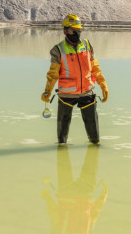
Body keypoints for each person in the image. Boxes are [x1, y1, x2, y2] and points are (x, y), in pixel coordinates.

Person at [41, 14, 109, 144]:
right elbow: (53, 74)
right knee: (62, 138)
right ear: (65, 31)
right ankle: (61, 154)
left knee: (94, 134)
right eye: (74, 31)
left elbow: (95, 68)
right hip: (66, 95)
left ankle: (95, 147)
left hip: (86, 92)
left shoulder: (87, 45)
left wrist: (103, 84)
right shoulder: (58, 50)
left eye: (79, 30)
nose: (77, 34)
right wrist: (47, 91)